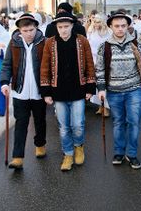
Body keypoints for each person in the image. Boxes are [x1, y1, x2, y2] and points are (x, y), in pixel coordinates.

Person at [95, 10, 141, 169]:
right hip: (114, 91)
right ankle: (119, 152)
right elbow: (99, 70)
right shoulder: (105, 47)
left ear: (128, 26)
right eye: (117, 26)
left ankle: (132, 154)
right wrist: (101, 88)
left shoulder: (136, 44)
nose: (120, 29)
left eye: (123, 25)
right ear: (110, 27)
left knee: (133, 122)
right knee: (118, 123)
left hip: (134, 90)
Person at [40, 12, 96, 171]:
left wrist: (90, 87)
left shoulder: (82, 41)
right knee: (63, 126)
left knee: (78, 124)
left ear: (72, 26)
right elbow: (44, 68)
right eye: (60, 27)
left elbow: (89, 64)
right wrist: (46, 92)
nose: (63, 30)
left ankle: (78, 146)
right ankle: (68, 154)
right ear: (56, 28)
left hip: (78, 90)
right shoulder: (50, 43)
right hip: (59, 91)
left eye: (66, 26)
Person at [0, 13, 47, 170]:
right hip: (20, 91)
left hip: (39, 91)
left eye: (31, 30)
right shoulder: (14, 44)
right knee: (21, 123)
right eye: (25, 30)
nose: (29, 33)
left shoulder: (43, 42)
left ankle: (40, 144)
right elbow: (7, 64)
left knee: (40, 120)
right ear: (20, 30)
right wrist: (5, 82)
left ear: (36, 28)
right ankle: (18, 156)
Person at [87, 13, 112, 116]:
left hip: (105, 59)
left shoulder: (109, 32)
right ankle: (99, 106)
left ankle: (106, 107)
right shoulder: (90, 31)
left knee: (104, 83)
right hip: (93, 60)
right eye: (95, 22)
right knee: (97, 84)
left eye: (98, 22)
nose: (96, 24)